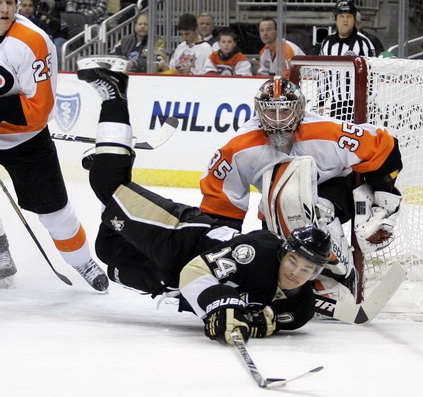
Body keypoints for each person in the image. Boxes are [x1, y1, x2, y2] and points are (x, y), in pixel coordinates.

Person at [75, 60, 332, 345]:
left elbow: (264, 320)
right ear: (284, 252)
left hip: (168, 280)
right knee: (108, 186)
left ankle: (112, 177)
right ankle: (115, 96)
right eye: (294, 261)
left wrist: (249, 322)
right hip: (180, 237)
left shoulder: (300, 309)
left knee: (108, 251)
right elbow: (196, 272)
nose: (296, 272)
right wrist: (220, 305)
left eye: (307, 270)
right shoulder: (257, 252)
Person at [199, 76, 403, 303]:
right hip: (275, 203)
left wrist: (385, 201)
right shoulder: (239, 148)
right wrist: (219, 254)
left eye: (284, 111)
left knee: (316, 208)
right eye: (270, 112)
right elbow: (221, 205)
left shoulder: (327, 132)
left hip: (336, 191)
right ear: (258, 111)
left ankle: (340, 277)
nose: (277, 121)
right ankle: (291, 281)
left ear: (299, 110)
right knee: (276, 227)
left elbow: (385, 147)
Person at [0, 0, 108, 291]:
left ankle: (81, 260)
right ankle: (0, 250)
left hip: (26, 140)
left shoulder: (32, 41)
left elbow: (38, 112)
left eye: (10, 1)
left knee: (53, 210)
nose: (4, 8)